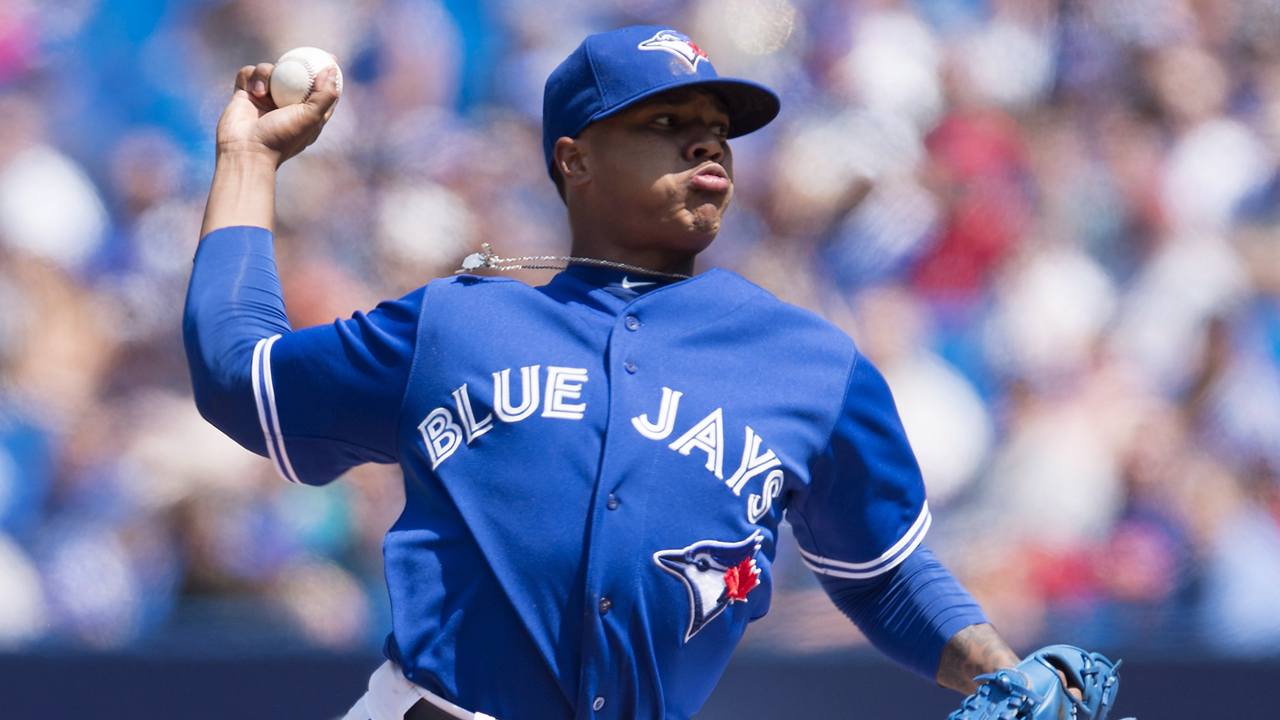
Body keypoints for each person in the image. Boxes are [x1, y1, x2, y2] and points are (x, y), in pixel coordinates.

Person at [185, 25, 1024, 720]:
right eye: (665, 120)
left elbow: (886, 576)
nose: (708, 141)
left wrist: (1007, 675)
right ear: (574, 159)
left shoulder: (810, 365)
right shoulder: (455, 327)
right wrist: (248, 162)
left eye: (719, 127)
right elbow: (238, 375)